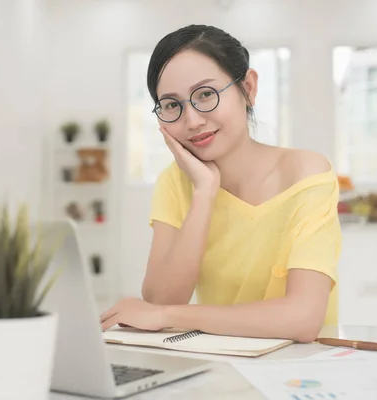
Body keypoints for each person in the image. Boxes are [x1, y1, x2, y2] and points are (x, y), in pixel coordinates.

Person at [100, 24, 342, 343]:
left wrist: (168, 317)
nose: (193, 121)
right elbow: (162, 298)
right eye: (172, 104)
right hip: (221, 361)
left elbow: (303, 319)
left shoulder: (307, 174)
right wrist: (203, 192)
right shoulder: (176, 182)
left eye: (205, 94)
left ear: (249, 88)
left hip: (300, 371)